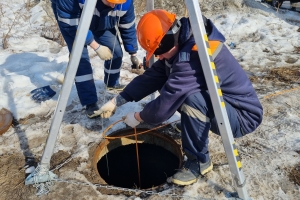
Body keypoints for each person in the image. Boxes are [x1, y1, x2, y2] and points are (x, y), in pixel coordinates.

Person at [94, 9, 263, 186]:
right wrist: (118, 100)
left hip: (241, 116)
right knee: (168, 82)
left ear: (167, 41)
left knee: (190, 99)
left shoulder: (191, 56)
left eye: (158, 51)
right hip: (222, 105)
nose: (158, 56)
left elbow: (164, 107)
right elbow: (151, 77)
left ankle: (198, 162)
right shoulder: (182, 43)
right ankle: (193, 124)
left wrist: (139, 117)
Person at [51, 0, 142, 118]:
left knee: (115, 51)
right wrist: (96, 46)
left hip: (101, 21)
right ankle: (90, 103)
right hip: (73, 22)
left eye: (117, 2)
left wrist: (133, 53)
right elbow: (71, 25)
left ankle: (112, 83)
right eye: (110, 1)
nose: (114, 6)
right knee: (80, 60)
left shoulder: (125, 3)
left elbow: (127, 26)